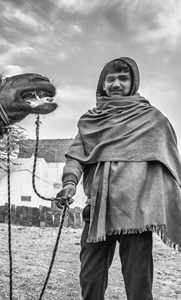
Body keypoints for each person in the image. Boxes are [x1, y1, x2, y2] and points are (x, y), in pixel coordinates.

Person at [56, 57, 181, 300]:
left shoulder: (152, 119)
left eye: (123, 78)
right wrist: (69, 183)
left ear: (133, 83)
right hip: (98, 211)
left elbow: (170, 163)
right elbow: (75, 156)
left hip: (137, 214)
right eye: (110, 79)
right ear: (102, 84)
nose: (115, 84)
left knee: (138, 285)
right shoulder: (91, 121)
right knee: (90, 279)